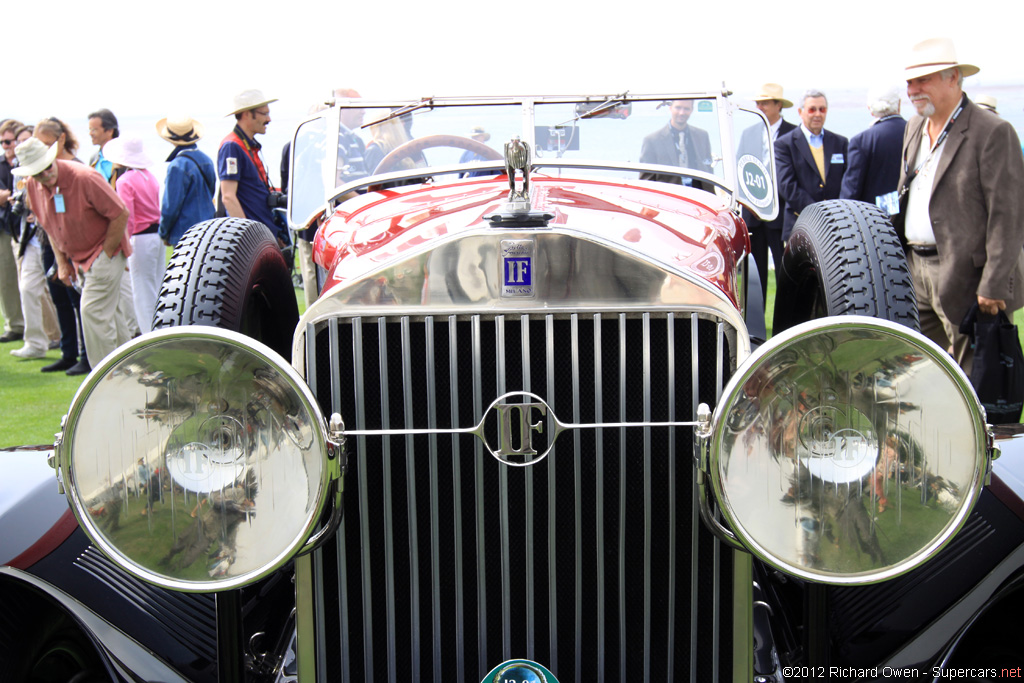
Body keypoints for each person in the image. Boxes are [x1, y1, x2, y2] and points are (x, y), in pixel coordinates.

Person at [893, 37, 1024, 372]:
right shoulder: (914, 127)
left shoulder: (992, 132)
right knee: (917, 371)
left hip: (967, 277)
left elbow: (1007, 215)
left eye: (923, 79)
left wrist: (994, 284)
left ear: (953, 78)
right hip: (914, 270)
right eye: (910, 81)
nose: (913, 89)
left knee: (974, 380)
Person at [13, 137, 134, 368]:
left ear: (53, 159)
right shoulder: (32, 185)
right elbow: (49, 226)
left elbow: (121, 213)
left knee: (92, 312)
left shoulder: (85, 177)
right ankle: (131, 370)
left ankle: (104, 377)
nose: (45, 175)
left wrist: (106, 253)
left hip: (105, 252)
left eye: (47, 167)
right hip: (78, 258)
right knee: (114, 316)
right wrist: (62, 263)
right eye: (37, 172)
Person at [33, 118, 90, 374]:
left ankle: (86, 354)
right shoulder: (39, 173)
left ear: (61, 139)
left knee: (80, 300)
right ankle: (68, 351)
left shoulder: (74, 169)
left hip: (73, 246)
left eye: (47, 143)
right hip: (49, 241)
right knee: (59, 297)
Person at [737, 84, 796, 298]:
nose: (760, 107)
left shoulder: (793, 134)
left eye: (765, 103)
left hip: (781, 213)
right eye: (758, 103)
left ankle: (788, 324)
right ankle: (755, 328)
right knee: (754, 276)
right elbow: (740, 167)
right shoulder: (748, 133)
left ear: (778, 105)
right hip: (753, 214)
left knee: (785, 272)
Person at [104, 136, 164, 334]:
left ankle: (149, 334)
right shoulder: (150, 176)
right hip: (156, 236)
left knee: (142, 292)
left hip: (140, 238)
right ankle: (161, 329)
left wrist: (124, 246)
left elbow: (126, 216)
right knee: (156, 286)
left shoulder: (125, 180)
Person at [774, 89, 848, 241]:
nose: (818, 114)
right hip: (800, 225)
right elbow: (787, 186)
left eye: (822, 109)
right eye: (812, 109)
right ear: (800, 112)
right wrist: (819, 213)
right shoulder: (784, 145)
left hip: (837, 226)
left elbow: (848, 181)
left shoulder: (840, 142)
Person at [218, 89, 288, 247]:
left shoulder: (247, 145)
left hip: (262, 235)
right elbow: (228, 197)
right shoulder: (232, 146)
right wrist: (248, 239)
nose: (268, 119)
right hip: (253, 241)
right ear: (247, 114)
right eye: (264, 113)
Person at [840, 85, 907, 215]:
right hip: (911, 218)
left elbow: (851, 191)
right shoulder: (917, 133)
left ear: (870, 109)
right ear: (899, 105)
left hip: (875, 222)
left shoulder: (862, 141)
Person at [156, 115, 216, 247]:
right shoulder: (206, 160)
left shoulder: (177, 165)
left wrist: (163, 232)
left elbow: (170, 206)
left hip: (185, 233)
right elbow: (211, 191)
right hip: (209, 228)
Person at [639, 99, 714, 185]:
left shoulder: (702, 136)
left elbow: (709, 170)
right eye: (678, 108)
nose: (682, 113)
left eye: (686, 109)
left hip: (699, 195)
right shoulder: (652, 140)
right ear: (670, 108)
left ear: (692, 110)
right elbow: (646, 181)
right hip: (670, 196)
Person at [0, 119, 25, 343]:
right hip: (4, 226)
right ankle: (15, 325)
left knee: (29, 281)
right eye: (3, 142)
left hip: (23, 227)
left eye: (9, 141)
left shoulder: (23, 163)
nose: (6, 145)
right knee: (6, 278)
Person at [87, 108, 121, 187]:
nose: (90, 133)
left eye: (94, 130)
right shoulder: (94, 158)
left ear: (110, 131)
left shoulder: (123, 158)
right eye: (90, 129)